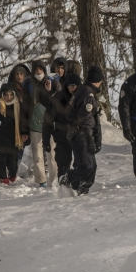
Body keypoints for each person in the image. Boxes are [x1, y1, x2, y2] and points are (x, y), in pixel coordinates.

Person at [59, 66, 103, 196]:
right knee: (87, 166)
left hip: (78, 133)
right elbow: (85, 118)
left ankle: (82, 188)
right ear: (98, 81)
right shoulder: (87, 94)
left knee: (90, 166)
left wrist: (96, 138)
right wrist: (90, 139)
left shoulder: (82, 90)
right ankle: (67, 179)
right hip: (80, 133)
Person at [0, 84, 29, 184]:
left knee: (13, 162)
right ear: (2, 95)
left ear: (14, 95)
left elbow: (24, 122)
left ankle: (12, 176)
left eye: (11, 95)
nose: (8, 97)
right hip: (0, 139)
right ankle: (3, 179)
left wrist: (24, 133)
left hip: (14, 140)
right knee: (1, 161)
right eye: (6, 95)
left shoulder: (19, 106)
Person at [42, 73, 81, 183]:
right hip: (62, 136)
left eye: (75, 86)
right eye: (70, 86)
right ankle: (63, 186)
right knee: (63, 164)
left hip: (79, 135)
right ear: (66, 86)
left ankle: (78, 185)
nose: (73, 88)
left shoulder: (83, 97)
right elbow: (47, 121)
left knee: (81, 164)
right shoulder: (58, 99)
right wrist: (46, 141)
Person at [22, 61, 53, 186]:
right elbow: (25, 106)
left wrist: (49, 90)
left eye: (41, 70)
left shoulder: (51, 82)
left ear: (44, 71)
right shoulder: (29, 84)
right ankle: (41, 181)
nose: (38, 72)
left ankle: (54, 179)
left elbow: (56, 102)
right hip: (34, 124)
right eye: (36, 70)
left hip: (50, 124)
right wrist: (24, 128)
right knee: (38, 155)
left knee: (52, 155)